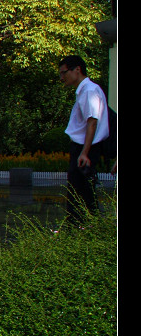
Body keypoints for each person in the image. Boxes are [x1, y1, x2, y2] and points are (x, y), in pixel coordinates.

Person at [59, 55, 110, 225]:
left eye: (64, 72)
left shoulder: (89, 91)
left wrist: (84, 152)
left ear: (77, 70)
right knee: (80, 193)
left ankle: (81, 228)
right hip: (84, 148)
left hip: (85, 148)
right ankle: (81, 227)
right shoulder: (85, 90)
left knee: (80, 193)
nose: (62, 77)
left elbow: (92, 122)